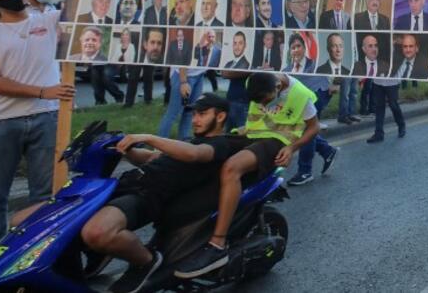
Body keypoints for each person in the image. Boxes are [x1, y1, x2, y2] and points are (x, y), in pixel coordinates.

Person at [79, 94, 245, 292]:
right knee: (65, 215)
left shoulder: (219, 144)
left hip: (148, 194)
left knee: (97, 232)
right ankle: (96, 253)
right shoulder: (189, 141)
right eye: (194, 114)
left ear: (220, 117)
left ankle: (146, 262)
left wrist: (149, 137)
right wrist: (125, 149)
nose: (195, 120)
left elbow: (194, 154)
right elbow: (150, 157)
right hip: (124, 184)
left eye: (202, 114)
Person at [0, 0, 75, 257]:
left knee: (45, 197)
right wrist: (42, 91)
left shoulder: (48, 20)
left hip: (47, 119)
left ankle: (36, 257)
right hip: (0, 124)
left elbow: (81, 5)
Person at [175, 72, 320, 280]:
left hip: (276, 142)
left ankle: (217, 243)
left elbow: (314, 127)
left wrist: (291, 148)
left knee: (231, 168)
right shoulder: (254, 80)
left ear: (277, 87)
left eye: (266, 100)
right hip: (249, 135)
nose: (263, 105)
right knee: (202, 151)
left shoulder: (300, 94)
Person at [286, 34, 340, 186]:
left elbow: (340, 64)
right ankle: (327, 151)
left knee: (307, 130)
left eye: (299, 46)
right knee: (307, 131)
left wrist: (336, 83)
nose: (296, 50)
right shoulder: (288, 68)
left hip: (318, 94)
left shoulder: (315, 64)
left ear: (304, 48)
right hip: (301, 100)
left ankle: (305, 171)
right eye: (293, 47)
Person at [367, 33, 407, 143]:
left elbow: (399, 65)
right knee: (379, 107)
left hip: (392, 82)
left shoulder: (399, 49)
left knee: (393, 105)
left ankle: (401, 125)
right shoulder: (378, 47)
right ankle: (378, 133)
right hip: (378, 81)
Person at [220, 32, 251, 130]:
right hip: (230, 99)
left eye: (240, 43)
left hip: (244, 102)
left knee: (240, 135)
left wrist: (228, 73)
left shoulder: (247, 63)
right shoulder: (230, 62)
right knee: (227, 134)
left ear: (245, 45)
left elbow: (226, 73)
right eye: (235, 43)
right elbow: (223, 73)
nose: (237, 47)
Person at [125, 28, 162, 107]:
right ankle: (129, 102)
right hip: (137, 54)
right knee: (133, 78)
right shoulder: (134, 24)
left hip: (150, 52)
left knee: (148, 78)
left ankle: (148, 100)